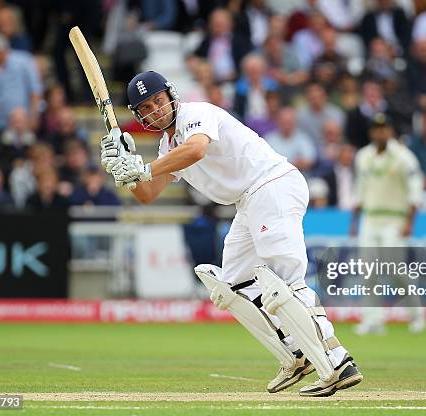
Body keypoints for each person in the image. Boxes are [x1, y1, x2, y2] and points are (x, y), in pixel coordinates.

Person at [100, 71, 362, 397]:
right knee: (234, 283)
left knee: (287, 279)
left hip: (271, 184)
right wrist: (120, 168)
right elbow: (146, 194)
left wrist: (146, 168)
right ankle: (296, 353)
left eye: (158, 100)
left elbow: (196, 150)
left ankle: (337, 360)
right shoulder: (169, 145)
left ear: (170, 95)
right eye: (147, 108)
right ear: (140, 116)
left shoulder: (196, 114)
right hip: (248, 201)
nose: (156, 109)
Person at [350, 113, 426, 334]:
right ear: (371, 132)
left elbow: (415, 192)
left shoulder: (405, 157)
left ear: (390, 131)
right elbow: (360, 190)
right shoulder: (363, 156)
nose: (380, 133)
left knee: (396, 270)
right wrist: (354, 221)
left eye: (384, 129)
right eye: (376, 129)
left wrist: (409, 222)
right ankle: (373, 320)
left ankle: (417, 314)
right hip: (370, 218)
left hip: (394, 218)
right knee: (368, 271)